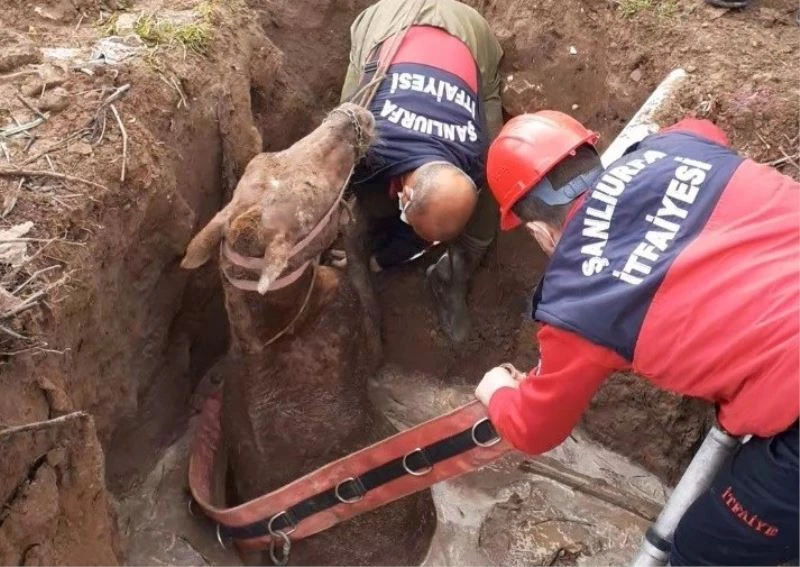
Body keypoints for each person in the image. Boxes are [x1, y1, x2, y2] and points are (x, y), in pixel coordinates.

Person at [474, 110, 799, 565]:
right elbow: (702, 127)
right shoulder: (682, 144)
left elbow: (533, 428)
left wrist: (496, 393)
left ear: (539, 232)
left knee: (703, 550)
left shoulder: (579, 302)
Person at [339, 0, 504, 342]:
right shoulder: (364, 143)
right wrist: (353, 245)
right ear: (406, 194)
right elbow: (330, 186)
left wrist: (385, 260)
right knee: (349, 105)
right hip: (391, 20)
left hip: (471, 34)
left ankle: (451, 276)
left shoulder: (478, 160)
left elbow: (480, 221)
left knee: (490, 118)